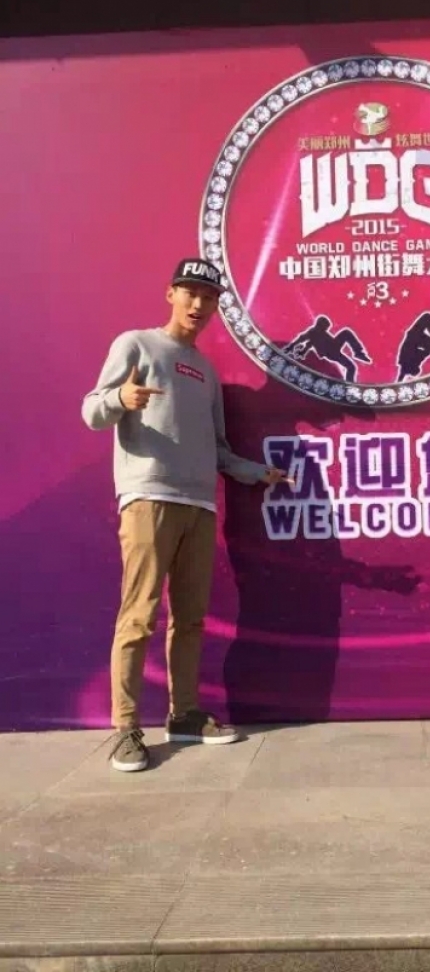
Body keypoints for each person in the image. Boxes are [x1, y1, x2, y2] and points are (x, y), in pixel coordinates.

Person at [82, 258, 292, 773]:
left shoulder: (206, 372)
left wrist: (257, 473)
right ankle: (126, 728)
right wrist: (121, 397)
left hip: (200, 506)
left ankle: (184, 715)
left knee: (191, 618)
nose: (199, 304)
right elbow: (91, 411)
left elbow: (218, 450)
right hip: (149, 497)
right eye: (191, 293)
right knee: (139, 615)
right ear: (171, 294)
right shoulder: (136, 344)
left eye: (209, 297)